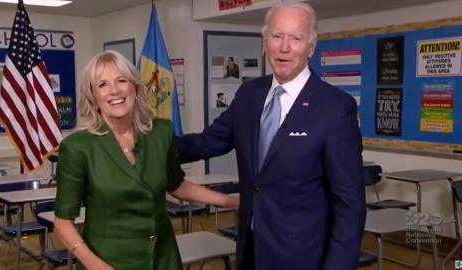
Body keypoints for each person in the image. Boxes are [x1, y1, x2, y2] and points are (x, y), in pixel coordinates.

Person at [176, 3, 365, 270]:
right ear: (265, 43)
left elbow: (349, 205)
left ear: (310, 47)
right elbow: (209, 142)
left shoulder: (335, 108)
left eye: (295, 38)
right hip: (250, 249)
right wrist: (142, 142)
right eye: (277, 36)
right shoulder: (248, 94)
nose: (284, 47)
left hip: (303, 258)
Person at [53, 50, 238, 270]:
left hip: (163, 257)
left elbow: (176, 185)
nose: (114, 90)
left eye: (122, 80)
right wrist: (96, 266)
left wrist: (232, 202)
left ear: (136, 88)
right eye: (102, 84)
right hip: (107, 261)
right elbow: (63, 222)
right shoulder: (77, 147)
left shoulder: (160, 132)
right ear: (92, 96)